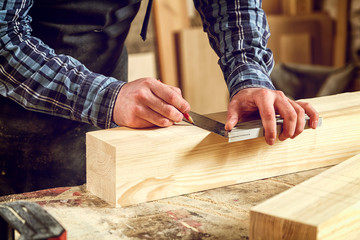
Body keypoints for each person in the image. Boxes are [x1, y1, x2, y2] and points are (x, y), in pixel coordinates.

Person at [0, 0, 319, 195]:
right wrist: (107, 97)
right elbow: (3, 37)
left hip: (107, 75)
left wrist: (248, 74)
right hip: (16, 106)